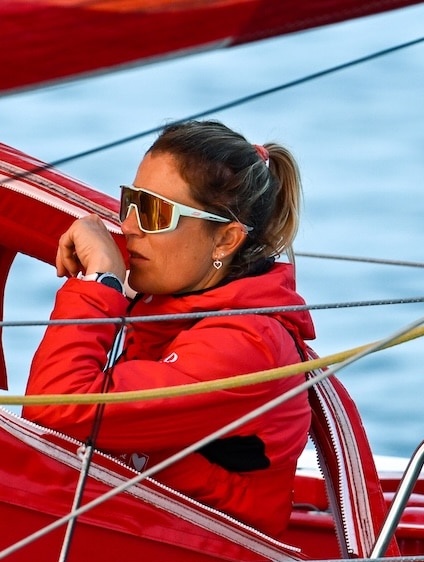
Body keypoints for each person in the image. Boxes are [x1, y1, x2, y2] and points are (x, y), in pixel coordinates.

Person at [22, 120, 313, 535]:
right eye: (132, 202)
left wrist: (101, 281)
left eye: (156, 213)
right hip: (134, 534)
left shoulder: (247, 345)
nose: (129, 227)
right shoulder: (176, 306)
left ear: (225, 240)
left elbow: (55, 408)